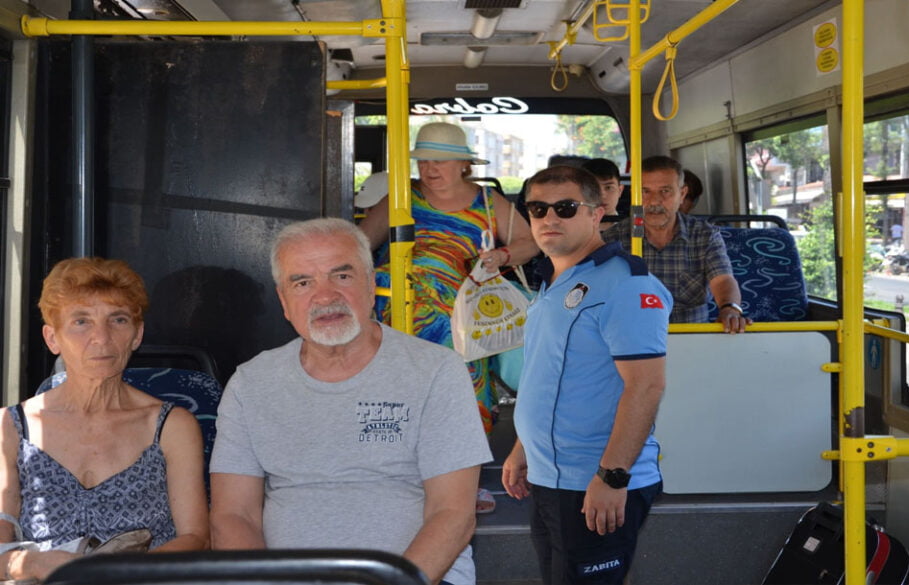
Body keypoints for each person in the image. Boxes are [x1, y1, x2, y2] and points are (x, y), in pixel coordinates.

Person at [209, 218, 492, 585]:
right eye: (303, 282)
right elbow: (234, 516)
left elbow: (453, 513)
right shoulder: (250, 383)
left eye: (341, 276)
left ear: (372, 285)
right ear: (284, 301)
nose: (325, 297)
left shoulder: (436, 371)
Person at [501, 166, 669, 585]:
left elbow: (646, 386)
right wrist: (524, 449)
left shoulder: (624, 285)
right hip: (550, 476)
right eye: (538, 209)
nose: (549, 218)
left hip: (595, 479)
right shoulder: (553, 281)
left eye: (565, 207)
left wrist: (612, 476)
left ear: (596, 214)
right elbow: (549, 377)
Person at [0, 258, 209, 581]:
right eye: (81, 322)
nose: (102, 337)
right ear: (52, 338)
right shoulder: (10, 428)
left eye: (118, 320)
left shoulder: (172, 426)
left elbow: (195, 538)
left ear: (137, 335)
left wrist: (125, 573)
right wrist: (37, 565)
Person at [359, 122, 538, 434]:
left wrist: (502, 256)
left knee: (461, 398)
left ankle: (463, 473)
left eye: (439, 161)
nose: (429, 169)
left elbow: (531, 242)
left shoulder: (488, 201)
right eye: (424, 161)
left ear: (463, 164)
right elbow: (360, 245)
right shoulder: (401, 196)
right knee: (403, 401)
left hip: (464, 319)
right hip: (400, 319)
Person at [602, 156, 750, 332]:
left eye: (665, 191)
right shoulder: (613, 239)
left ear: (682, 194)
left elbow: (723, 279)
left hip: (692, 338)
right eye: (644, 191)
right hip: (632, 339)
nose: (654, 201)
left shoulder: (704, 235)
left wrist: (730, 309)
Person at [581, 158, 624, 229]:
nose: (602, 195)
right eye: (593, 188)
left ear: (620, 191)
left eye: (608, 188)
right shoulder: (572, 229)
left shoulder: (631, 229)